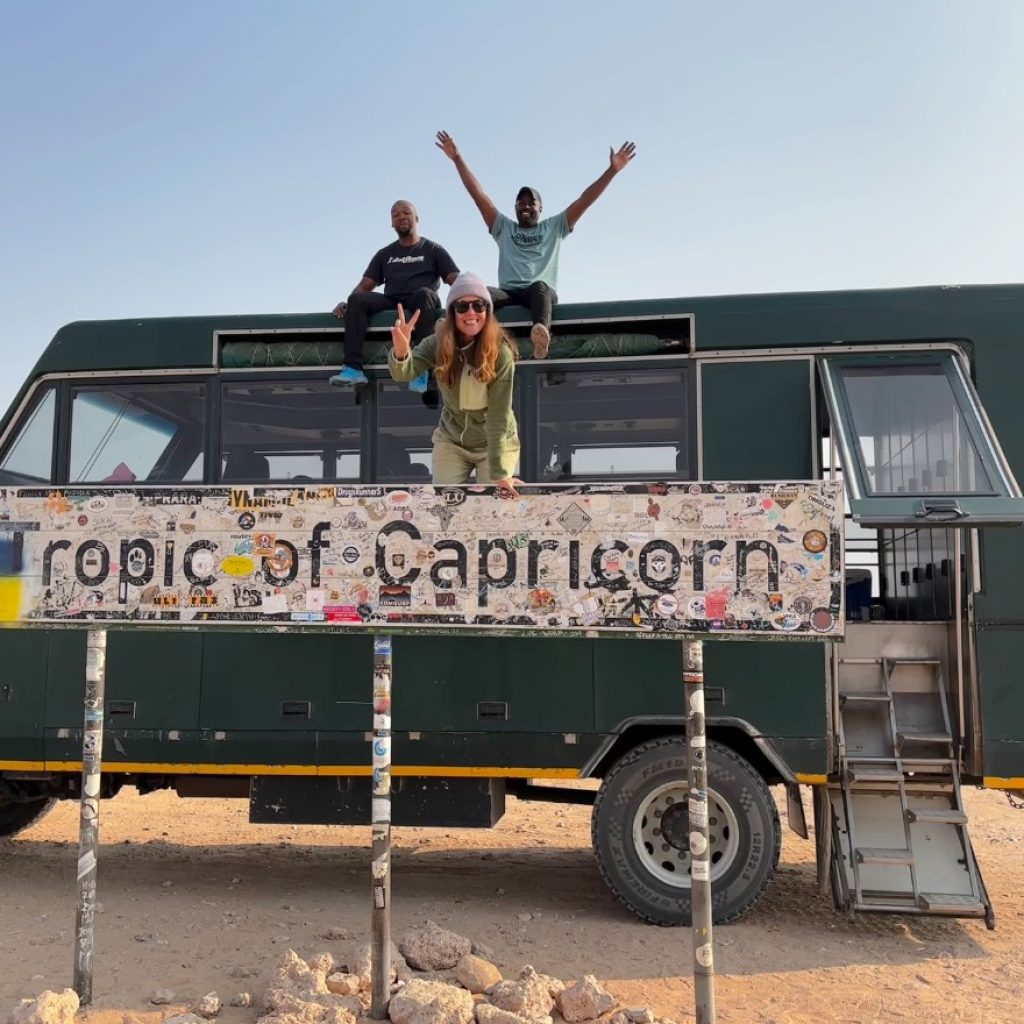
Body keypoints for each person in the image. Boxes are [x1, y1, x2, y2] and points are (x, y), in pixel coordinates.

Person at [435, 131, 636, 358]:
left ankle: (541, 334)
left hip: (539, 294)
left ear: (541, 208)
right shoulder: (503, 227)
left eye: (532, 202)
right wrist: (457, 158)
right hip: (509, 292)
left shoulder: (555, 226)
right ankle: (451, 328)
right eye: (521, 202)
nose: (526, 206)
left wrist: (612, 171)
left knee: (539, 286)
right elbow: (477, 194)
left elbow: (585, 199)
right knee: (478, 292)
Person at [387, 272, 522, 496]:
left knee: (493, 503)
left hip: (494, 443)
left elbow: (499, 415)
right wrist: (401, 352)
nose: (471, 313)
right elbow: (404, 374)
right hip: (452, 440)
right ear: (452, 312)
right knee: (445, 503)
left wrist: (500, 473)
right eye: (462, 306)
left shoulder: (502, 354)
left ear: (487, 312)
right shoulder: (437, 343)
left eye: (479, 305)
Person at [330, 200, 459, 405]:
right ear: (392, 223)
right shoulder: (385, 254)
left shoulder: (433, 249)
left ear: (416, 218)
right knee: (357, 300)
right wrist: (346, 303)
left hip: (423, 300)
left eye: (406, 212)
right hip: (393, 300)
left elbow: (455, 280)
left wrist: (470, 299)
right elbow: (364, 286)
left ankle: (421, 369)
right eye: (395, 214)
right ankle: (353, 369)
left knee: (423, 294)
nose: (400, 216)